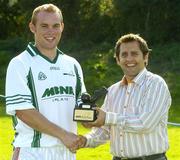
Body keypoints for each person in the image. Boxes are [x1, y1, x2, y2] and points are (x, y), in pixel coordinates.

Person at [5, 3, 86, 160]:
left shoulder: (72, 64)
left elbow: (81, 106)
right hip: (34, 150)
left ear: (62, 27)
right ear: (32, 27)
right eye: (44, 26)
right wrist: (63, 135)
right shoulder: (20, 63)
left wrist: (92, 118)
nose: (51, 31)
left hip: (66, 150)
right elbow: (23, 111)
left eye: (55, 25)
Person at [79, 33, 171, 160]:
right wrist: (85, 140)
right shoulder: (113, 91)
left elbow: (145, 124)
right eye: (124, 55)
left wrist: (107, 117)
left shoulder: (156, 84)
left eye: (134, 54)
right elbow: (105, 130)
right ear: (118, 60)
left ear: (145, 57)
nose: (129, 59)